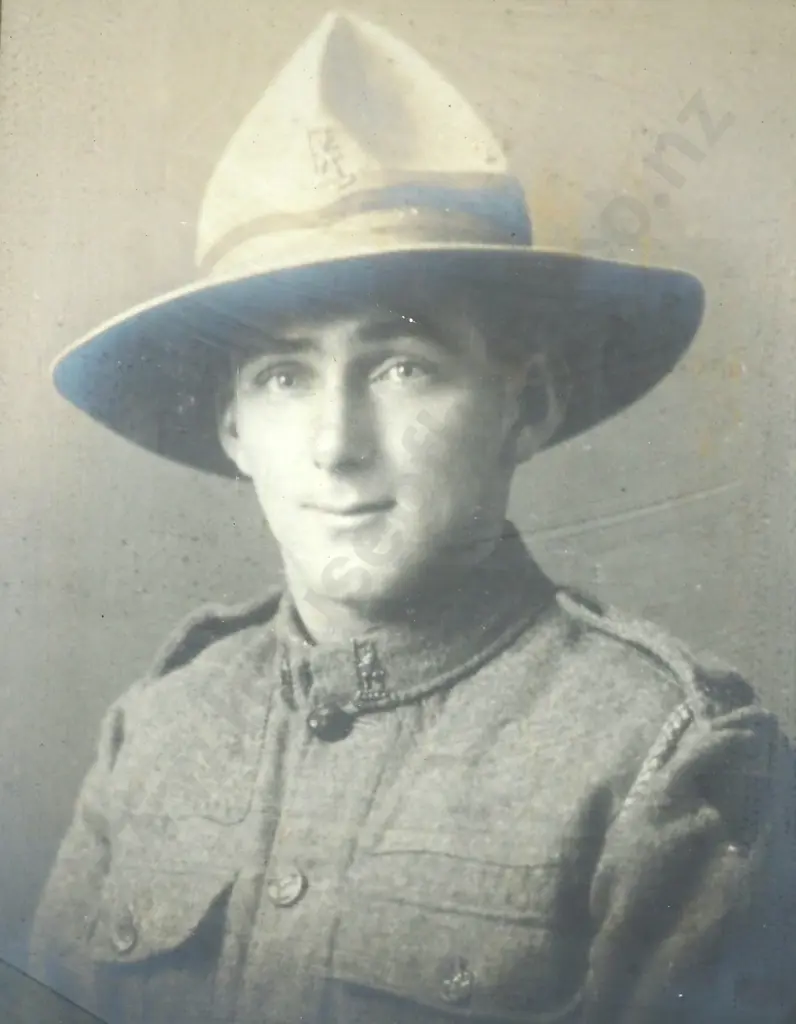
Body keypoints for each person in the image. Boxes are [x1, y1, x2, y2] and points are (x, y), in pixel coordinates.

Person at [26, 10, 796, 1024]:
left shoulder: (666, 758)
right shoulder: (161, 727)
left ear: (524, 406)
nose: (337, 442)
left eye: (400, 365)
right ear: (232, 429)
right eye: (283, 374)